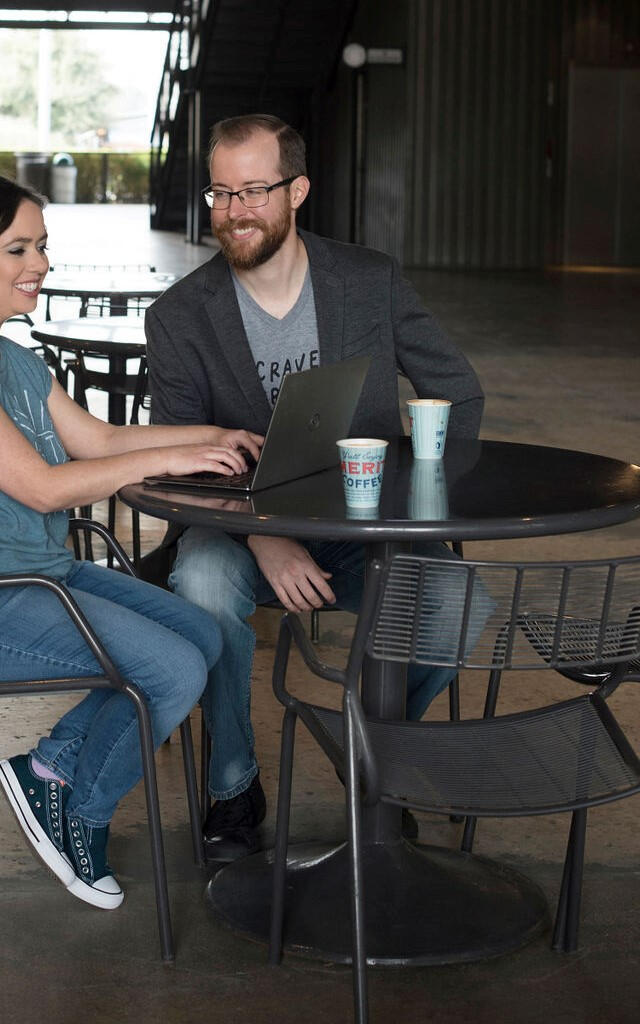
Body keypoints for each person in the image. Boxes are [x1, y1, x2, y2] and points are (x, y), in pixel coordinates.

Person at [0, 169, 262, 910]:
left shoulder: (14, 361)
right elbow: (46, 488)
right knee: (171, 670)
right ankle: (79, 810)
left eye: (42, 246)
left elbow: (102, 440)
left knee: (203, 636)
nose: (41, 264)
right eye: (19, 249)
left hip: (31, 574)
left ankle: (50, 768)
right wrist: (177, 457)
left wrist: (214, 436)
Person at [144, 114, 485, 860]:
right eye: (221, 192)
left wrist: (420, 507)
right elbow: (177, 460)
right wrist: (265, 539)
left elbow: (457, 392)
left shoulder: (368, 282)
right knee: (202, 583)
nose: (234, 211)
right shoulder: (179, 317)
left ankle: (372, 759)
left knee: (459, 601)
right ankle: (232, 785)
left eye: (255, 191)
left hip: (364, 529)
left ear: (297, 191)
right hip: (235, 534)